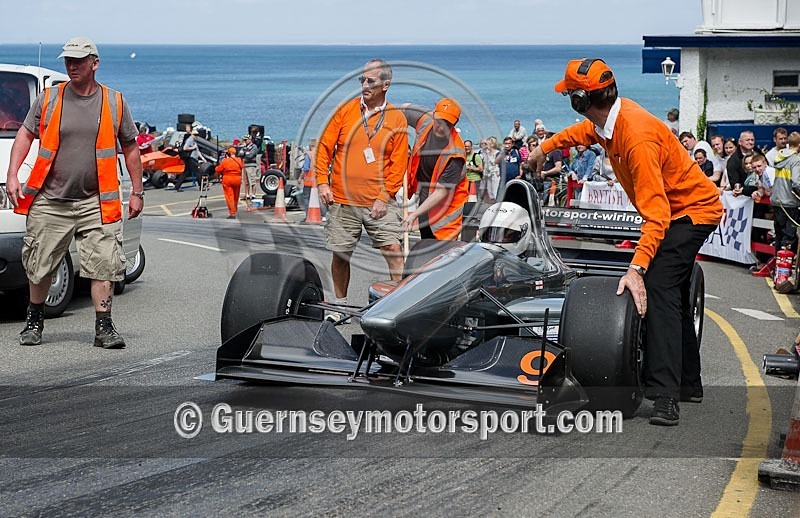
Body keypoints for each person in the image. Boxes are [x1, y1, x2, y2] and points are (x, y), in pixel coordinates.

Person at [528, 58, 723, 426]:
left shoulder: (636, 138)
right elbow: (581, 134)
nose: (569, 98)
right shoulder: (608, 122)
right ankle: (688, 384)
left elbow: (658, 216)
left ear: (581, 100)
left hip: (692, 212)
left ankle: (665, 396)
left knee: (659, 286)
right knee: (677, 293)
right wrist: (545, 148)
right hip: (679, 210)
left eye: (570, 93)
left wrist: (636, 269)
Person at [4, 36, 144, 348]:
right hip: (51, 199)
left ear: (95, 63)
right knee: (40, 262)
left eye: (79, 61)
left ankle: (104, 328)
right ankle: (34, 320)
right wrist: (13, 174)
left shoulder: (114, 101)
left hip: (97, 200)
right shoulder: (49, 98)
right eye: (68, 60)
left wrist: (137, 191)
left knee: (104, 264)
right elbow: (25, 135)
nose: (72, 65)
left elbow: (131, 148)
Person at [315, 59, 408, 322]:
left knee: (393, 249)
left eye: (370, 81)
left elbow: (398, 162)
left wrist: (385, 195)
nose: (364, 85)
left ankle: (396, 306)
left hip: (378, 201)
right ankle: (338, 306)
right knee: (340, 254)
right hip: (343, 200)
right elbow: (324, 147)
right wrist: (322, 181)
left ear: (385, 85)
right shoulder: (345, 111)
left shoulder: (396, 118)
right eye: (362, 80)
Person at [401, 99, 468, 240]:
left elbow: (441, 191)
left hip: (445, 215)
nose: (440, 127)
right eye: (438, 121)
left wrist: (414, 215)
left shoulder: (455, 153)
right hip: (425, 203)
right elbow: (404, 108)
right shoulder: (425, 121)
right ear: (433, 114)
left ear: (454, 125)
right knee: (425, 249)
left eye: (447, 124)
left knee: (442, 257)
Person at [772, 131, 800, 253]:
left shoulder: (779, 157)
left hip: (777, 201)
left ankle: (778, 267)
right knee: (789, 237)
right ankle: (785, 268)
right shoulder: (795, 160)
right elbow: (796, 182)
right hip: (790, 202)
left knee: (779, 235)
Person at [215, 147, 244, 219]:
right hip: (237, 179)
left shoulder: (225, 161)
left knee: (229, 196)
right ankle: (235, 209)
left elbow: (218, 169)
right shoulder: (239, 160)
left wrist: (216, 166)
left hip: (228, 179)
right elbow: (242, 167)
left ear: (229, 153)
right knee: (236, 196)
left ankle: (232, 213)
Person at [175, 127, 206, 192]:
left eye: (197, 135)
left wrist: (203, 158)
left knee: (185, 172)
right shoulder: (190, 140)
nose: (196, 136)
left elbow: (197, 151)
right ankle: (201, 186)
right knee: (198, 172)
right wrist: (192, 147)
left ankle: (177, 186)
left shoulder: (194, 141)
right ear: (192, 135)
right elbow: (185, 148)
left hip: (192, 158)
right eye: (195, 135)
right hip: (191, 158)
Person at [238, 134, 260, 202]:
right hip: (244, 165)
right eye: (244, 140)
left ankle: (253, 195)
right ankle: (247, 194)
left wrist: (245, 154)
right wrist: (245, 153)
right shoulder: (244, 146)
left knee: (252, 180)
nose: (245, 141)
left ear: (250, 140)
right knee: (246, 181)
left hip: (251, 165)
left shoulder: (254, 147)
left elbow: (251, 155)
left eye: (246, 140)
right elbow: (239, 154)